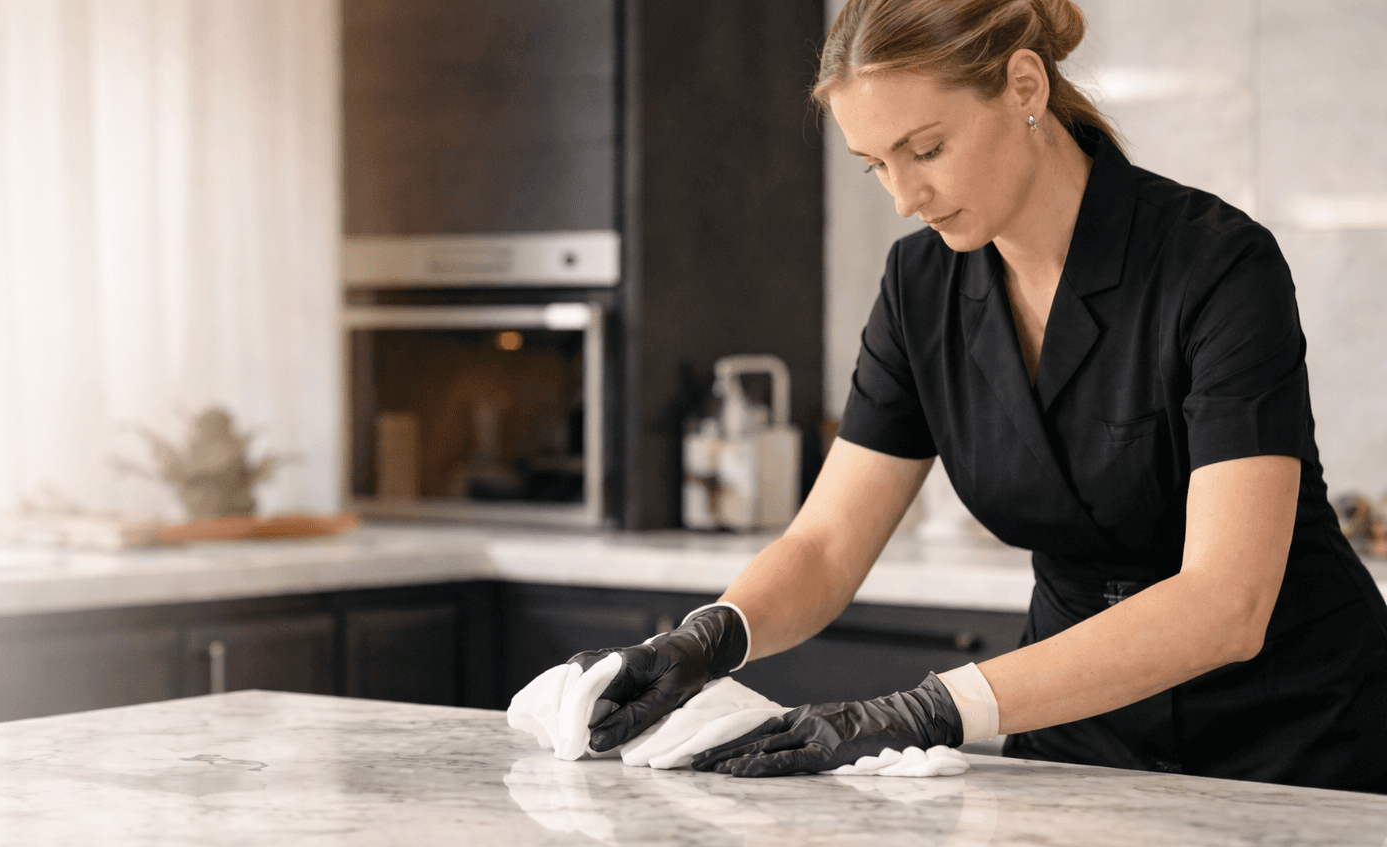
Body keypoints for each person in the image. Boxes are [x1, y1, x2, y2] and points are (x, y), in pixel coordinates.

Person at [565, 0, 1387, 794]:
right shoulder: (919, 287)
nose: (904, 198)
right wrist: (712, 636)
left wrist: (932, 710)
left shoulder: (1216, 266)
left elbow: (1225, 602)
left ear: (1024, 86)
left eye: (926, 149)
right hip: (1079, 742)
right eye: (876, 165)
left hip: (1296, 741)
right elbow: (825, 544)